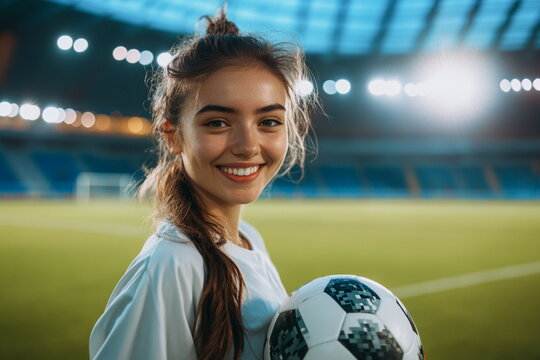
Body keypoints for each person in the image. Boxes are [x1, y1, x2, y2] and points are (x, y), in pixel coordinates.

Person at [89, 9, 315, 360]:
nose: (247, 146)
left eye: (269, 121)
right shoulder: (171, 265)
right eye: (218, 123)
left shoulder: (249, 239)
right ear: (173, 136)